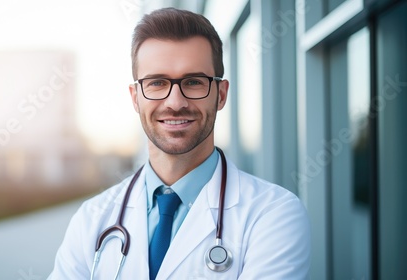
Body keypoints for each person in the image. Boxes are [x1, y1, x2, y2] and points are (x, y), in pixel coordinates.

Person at [48, 7, 310, 280]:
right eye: (157, 82)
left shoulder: (273, 214)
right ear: (136, 97)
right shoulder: (91, 219)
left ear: (220, 95)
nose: (175, 103)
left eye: (194, 82)